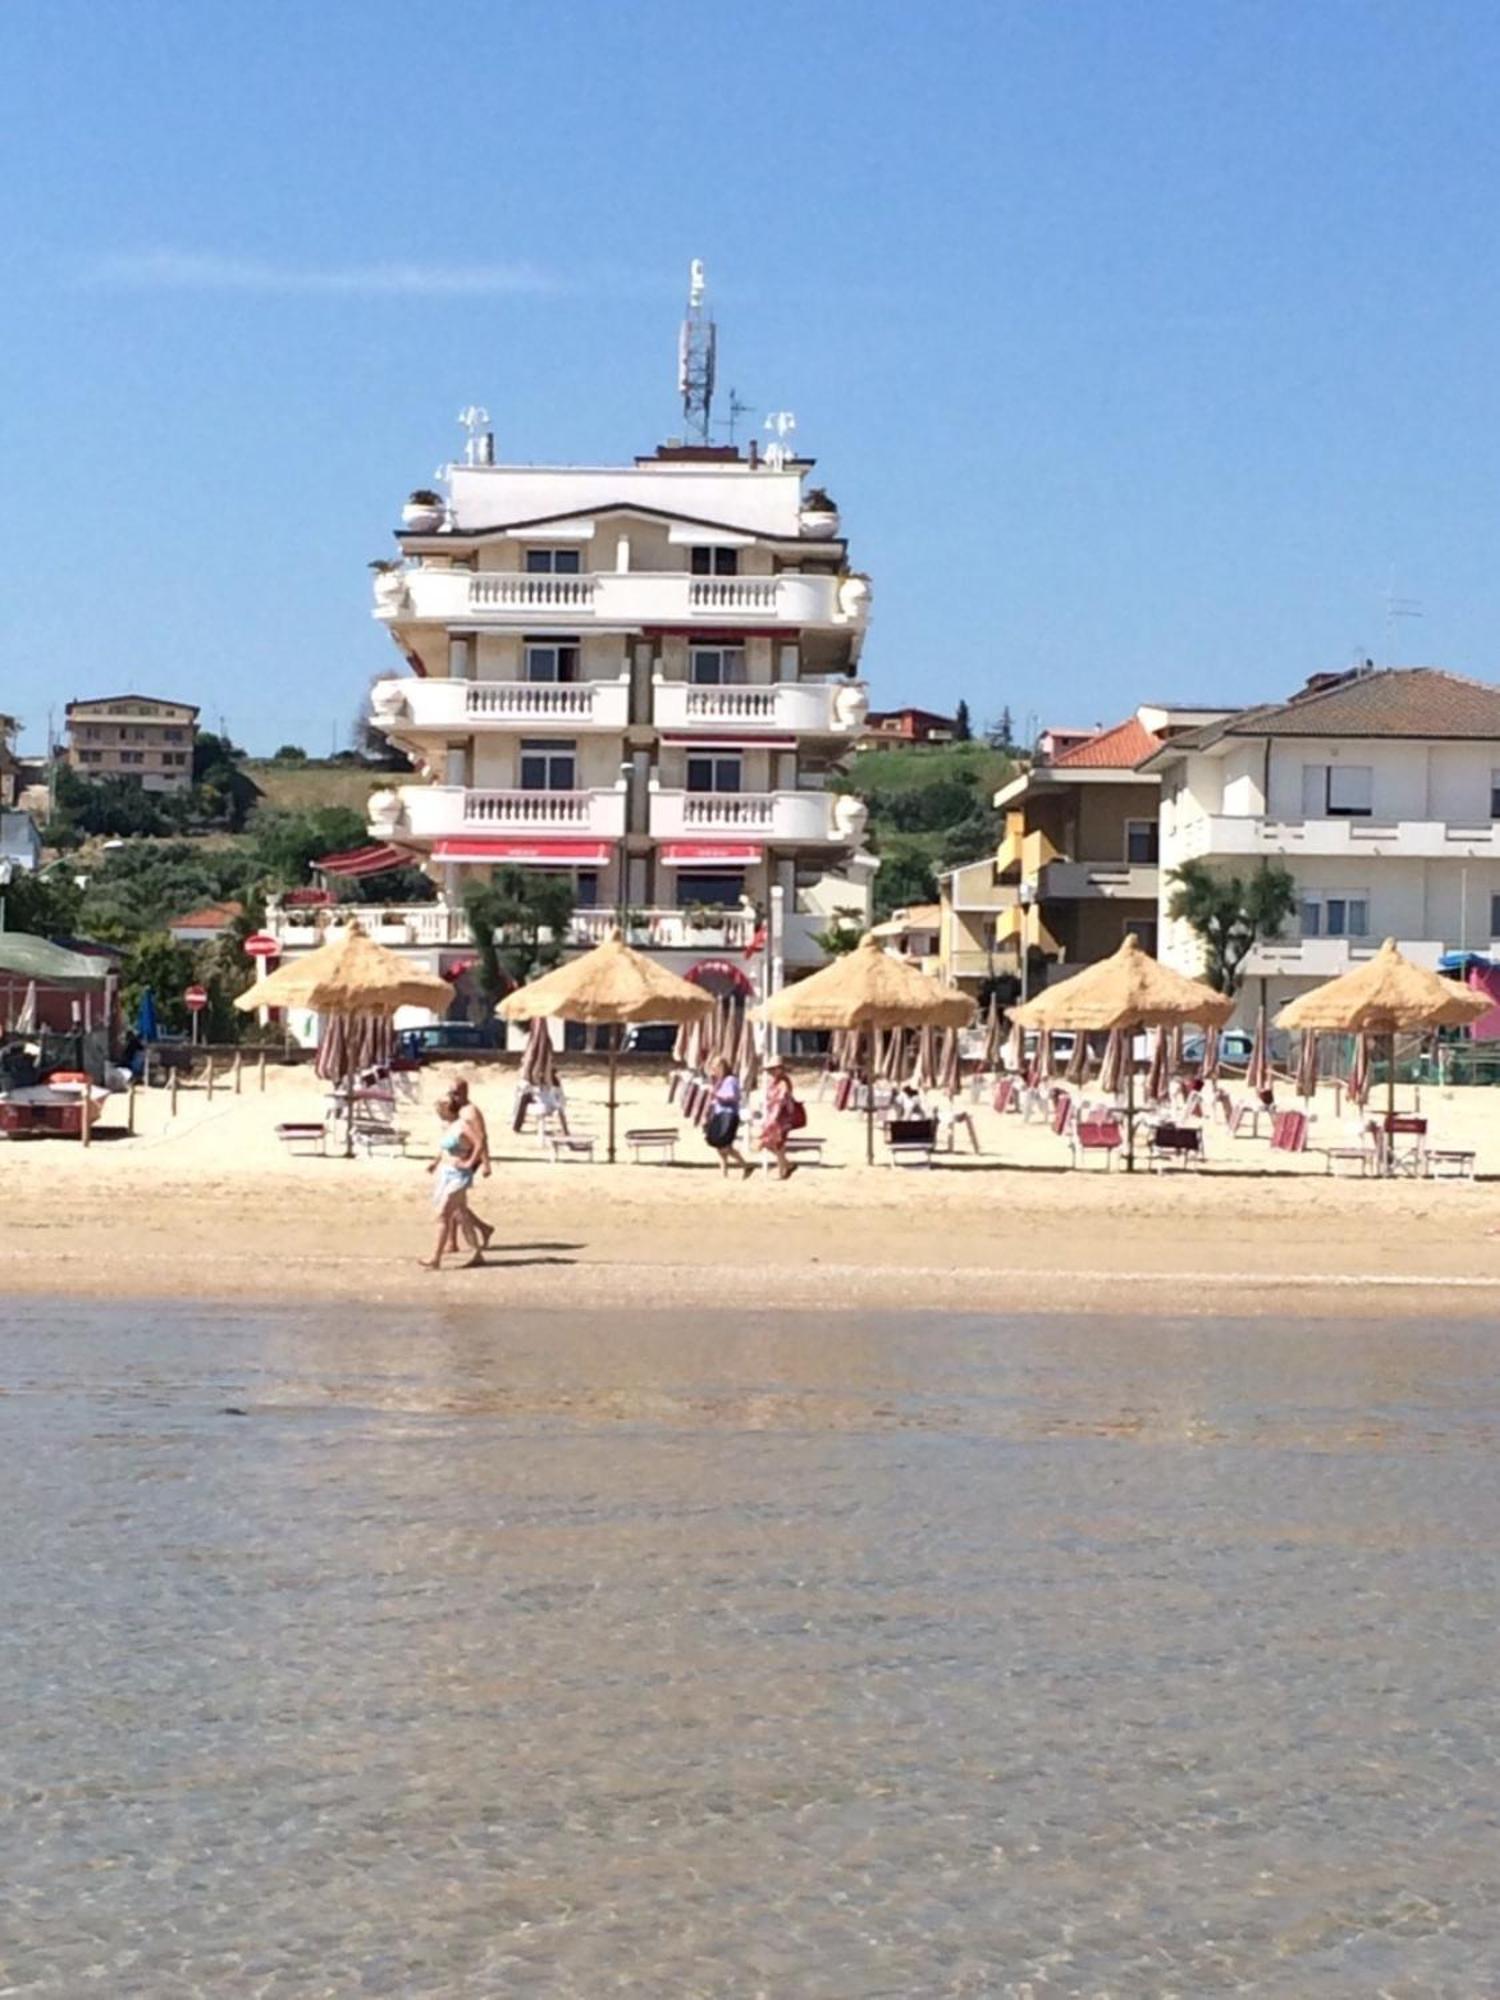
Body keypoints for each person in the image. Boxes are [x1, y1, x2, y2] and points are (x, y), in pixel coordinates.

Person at [421, 1093, 484, 1269]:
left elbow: (479, 1142)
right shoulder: (448, 1126)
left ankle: (435, 1258)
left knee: (443, 1213)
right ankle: (477, 1252)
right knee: (462, 1215)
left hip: (459, 1175)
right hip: (446, 1173)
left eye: (441, 1108)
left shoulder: (463, 1125)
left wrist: (470, 1162)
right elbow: (444, 1148)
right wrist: (435, 1162)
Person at [448, 1078, 495, 1247]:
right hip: (458, 1158)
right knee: (454, 1201)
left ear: (464, 1093)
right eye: (450, 1093)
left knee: (453, 1202)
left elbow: (482, 1137)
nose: (452, 1096)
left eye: (455, 1093)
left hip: (470, 1159)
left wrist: (486, 1163)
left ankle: (482, 1229)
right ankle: (452, 1241)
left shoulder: (471, 1112)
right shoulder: (457, 1110)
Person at [704, 1056, 753, 1179]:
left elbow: (733, 1097)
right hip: (719, 1113)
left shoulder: (731, 1080)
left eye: (716, 1068)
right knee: (720, 1144)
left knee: (724, 1145)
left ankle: (744, 1165)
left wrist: (717, 1095)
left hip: (729, 1114)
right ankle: (725, 1171)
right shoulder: (719, 1082)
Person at [759, 1062, 802, 1180]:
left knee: (776, 1143)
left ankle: (783, 1170)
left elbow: (781, 1100)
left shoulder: (783, 1082)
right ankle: (786, 1166)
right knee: (774, 1144)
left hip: (781, 1117)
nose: (771, 1072)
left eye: (773, 1069)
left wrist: (773, 1115)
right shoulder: (776, 1082)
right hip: (776, 1116)